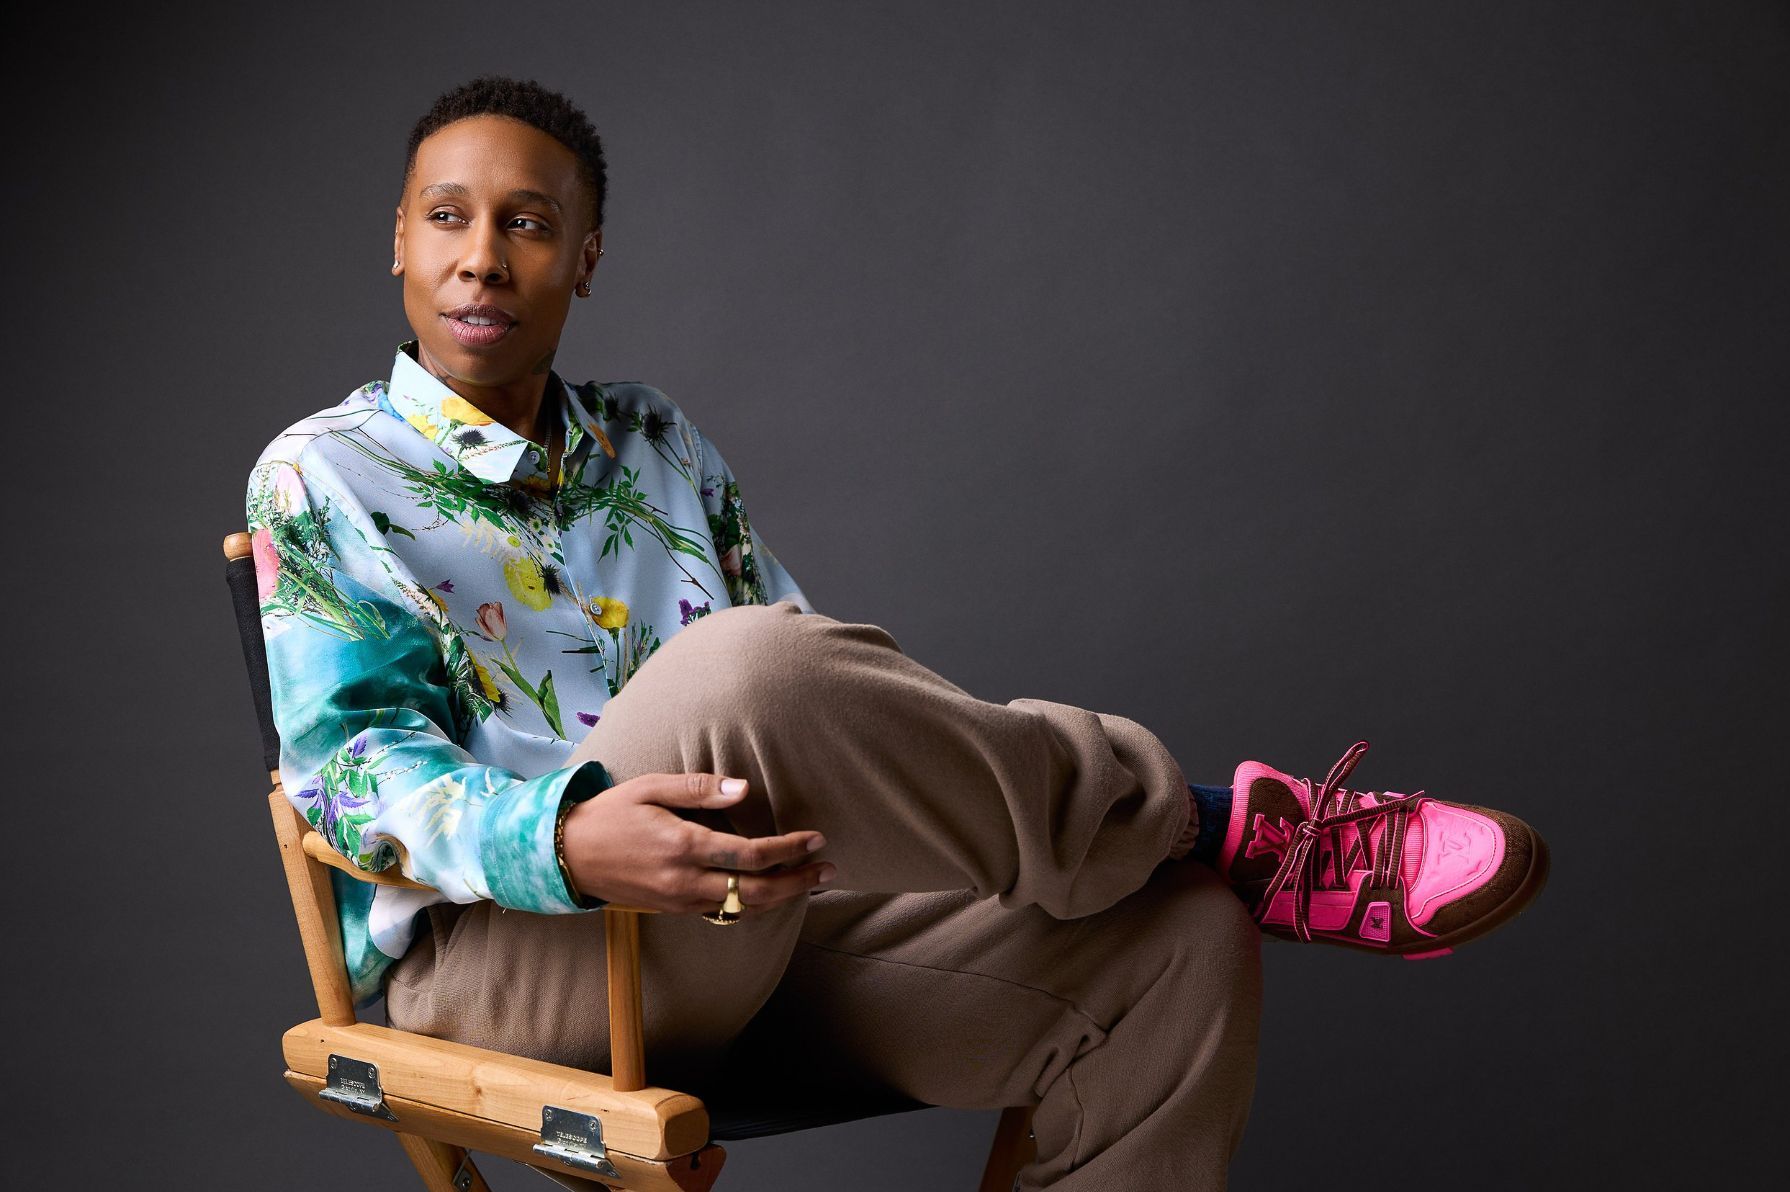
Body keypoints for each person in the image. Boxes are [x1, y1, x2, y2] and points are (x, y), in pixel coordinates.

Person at [246, 75, 1549, 1189]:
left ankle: (1200, 865)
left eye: (528, 223)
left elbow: (813, 699)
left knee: (1183, 945)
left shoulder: (653, 440)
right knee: (743, 666)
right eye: (447, 217)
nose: (482, 256)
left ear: (584, 256)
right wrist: (569, 837)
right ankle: (1213, 824)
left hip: (743, 933)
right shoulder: (322, 473)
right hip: (514, 966)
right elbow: (348, 776)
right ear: (400, 241)